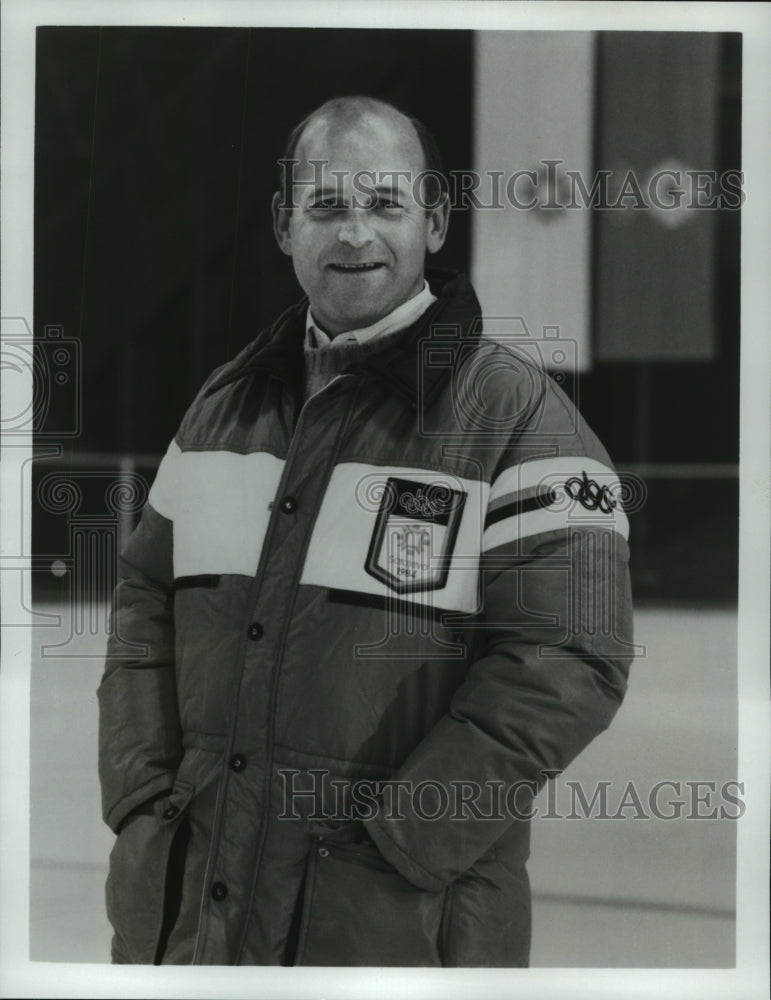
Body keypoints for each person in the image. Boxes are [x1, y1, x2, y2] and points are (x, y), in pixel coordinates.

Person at [98, 95, 634, 967]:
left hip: (391, 931)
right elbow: (142, 596)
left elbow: (571, 658)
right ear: (283, 224)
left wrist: (402, 844)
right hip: (190, 913)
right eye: (326, 205)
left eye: (384, 203)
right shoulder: (221, 408)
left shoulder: (518, 419)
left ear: (436, 221)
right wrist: (139, 794)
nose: (354, 235)